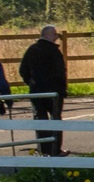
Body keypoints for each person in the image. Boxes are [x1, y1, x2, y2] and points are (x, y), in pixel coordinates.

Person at [18, 25, 69, 156]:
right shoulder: (54, 52)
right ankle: (55, 149)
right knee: (55, 119)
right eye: (54, 34)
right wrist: (62, 88)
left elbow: (23, 70)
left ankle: (44, 149)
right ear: (47, 35)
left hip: (37, 91)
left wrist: (31, 82)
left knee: (40, 119)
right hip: (54, 92)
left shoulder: (32, 50)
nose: (56, 37)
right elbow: (60, 72)